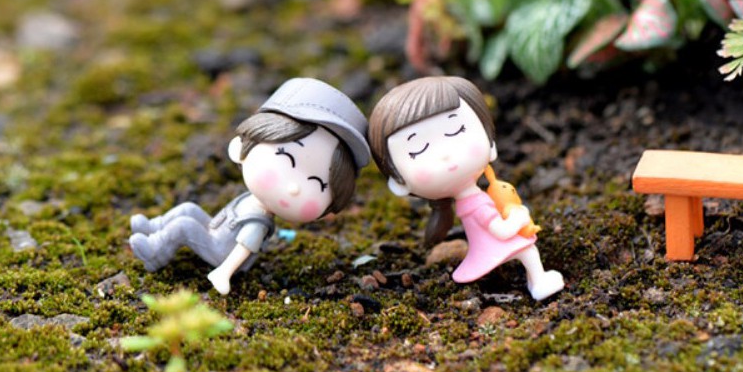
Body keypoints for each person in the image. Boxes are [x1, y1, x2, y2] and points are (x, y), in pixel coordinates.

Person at [129, 77, 370, 295]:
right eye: (287, 158)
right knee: (189, 209)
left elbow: (243, 248)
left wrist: (223, 273)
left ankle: (154, 252)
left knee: (185, 225)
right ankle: (153, 227)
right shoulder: (252, 201)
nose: (295, 188)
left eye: (317, 183)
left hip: (221, 250)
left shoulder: (258, 222)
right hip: (217, 229)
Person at [368, 75, 564, 301]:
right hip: (495, 244)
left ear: (490, 142)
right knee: (528, 250)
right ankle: (538, 281)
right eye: (418, 149)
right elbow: (501, 231)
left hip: (490, 243)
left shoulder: (472, 201)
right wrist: (519, 218)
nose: (445, 154)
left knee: (527, 250)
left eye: (456, 130)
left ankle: (534, 280)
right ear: (398, 182)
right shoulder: (476, 203)